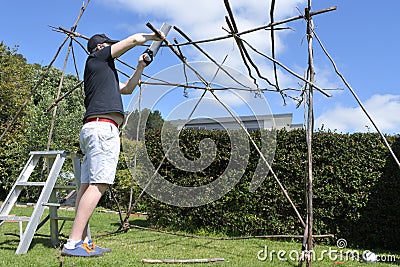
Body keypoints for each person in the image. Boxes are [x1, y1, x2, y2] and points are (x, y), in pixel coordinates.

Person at [61, 30, 164, 257]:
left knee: (87, 186)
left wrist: (140, 67)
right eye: (108, 45)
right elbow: (135, 40)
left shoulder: (102, 73)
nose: (111, 48)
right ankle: (73, 243)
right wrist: (154, 36)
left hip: (94, 129)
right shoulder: (97, 59)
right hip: (102, 130)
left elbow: (127, 89)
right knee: (100, 184)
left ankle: (84, 241)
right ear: (100, 47)